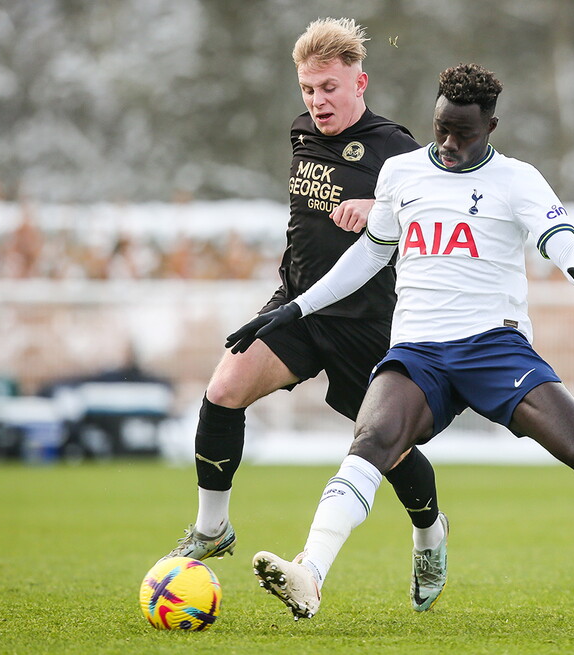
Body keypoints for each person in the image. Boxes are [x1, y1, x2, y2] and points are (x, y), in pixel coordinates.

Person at [225, 63, 574, 620]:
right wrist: (295, 307)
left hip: (494, 349)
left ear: (491, 126)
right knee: (372, 442)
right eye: (441, 130)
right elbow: (369, 253)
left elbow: (556, 233)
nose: (450, 144)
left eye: (464, 134)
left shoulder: (517, 179)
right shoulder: (402, 173)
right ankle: (309, 573)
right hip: (417, 351)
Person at [162, 18, 448, 613]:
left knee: (383, 445)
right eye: (308, 89)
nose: (317, 101)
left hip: (367, 322)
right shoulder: (300, 133)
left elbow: (436, 213)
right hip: (296, 306)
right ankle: (212, 528)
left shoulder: (395, 145)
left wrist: (375, 207)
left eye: (329, 88)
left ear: (359, 82)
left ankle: (430, 533)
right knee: (223, 389)